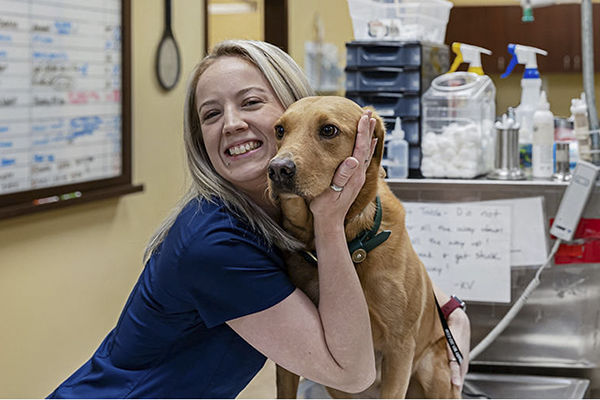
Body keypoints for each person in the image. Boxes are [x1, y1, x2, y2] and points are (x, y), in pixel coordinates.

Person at [48, 40, 469, 399]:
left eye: (250, 103)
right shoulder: (216, 243)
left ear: (295, 109)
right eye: (210, 115)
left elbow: (386, 261)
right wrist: (327, 222)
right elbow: (353, 373)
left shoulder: (275, 218)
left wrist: (447, 306)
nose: (231, 124)